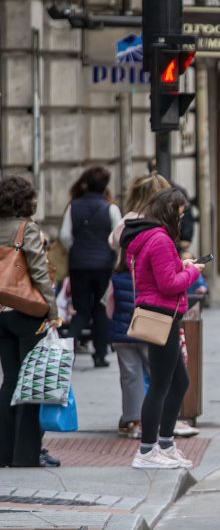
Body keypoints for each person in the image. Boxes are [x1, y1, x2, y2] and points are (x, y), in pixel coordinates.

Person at [120, 187, 204, 468]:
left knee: (179, 382)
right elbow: (168, 283)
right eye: (180, 215)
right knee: (160, 384)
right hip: (162, 314)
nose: (181, 222)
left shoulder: (151, 237)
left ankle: (165, 444)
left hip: (161, 312)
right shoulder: (159, 239)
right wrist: (192, 271)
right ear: (171, 213)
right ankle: (147, 450)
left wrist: (181, 264)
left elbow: (158, 272)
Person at [0, 176, 61, 468]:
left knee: (10, 380)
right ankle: (25, 454)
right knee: (32, 382)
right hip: (26, 312)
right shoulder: (28, 229)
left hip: (1, 313)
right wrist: (53, 311)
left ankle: (4, 451)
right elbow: (39, 274)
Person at [109, 174, 172, 440]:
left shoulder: (125, 222)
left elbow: (113, 242)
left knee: (130, 372)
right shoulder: (155, 226)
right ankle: (157, 421)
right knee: (157, 369)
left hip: (122, 292)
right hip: (147, 300)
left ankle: (133, 419)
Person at [61, 166, 122, 368]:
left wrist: (78, 250)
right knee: (101, 309)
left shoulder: (73, 206)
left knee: (81, 310)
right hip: (103, 265)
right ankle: (100, 354)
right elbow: (118, 238)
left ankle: (65, 352)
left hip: (78, 265)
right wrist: (110, 254)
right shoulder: (110, 208)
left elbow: (65, 236)